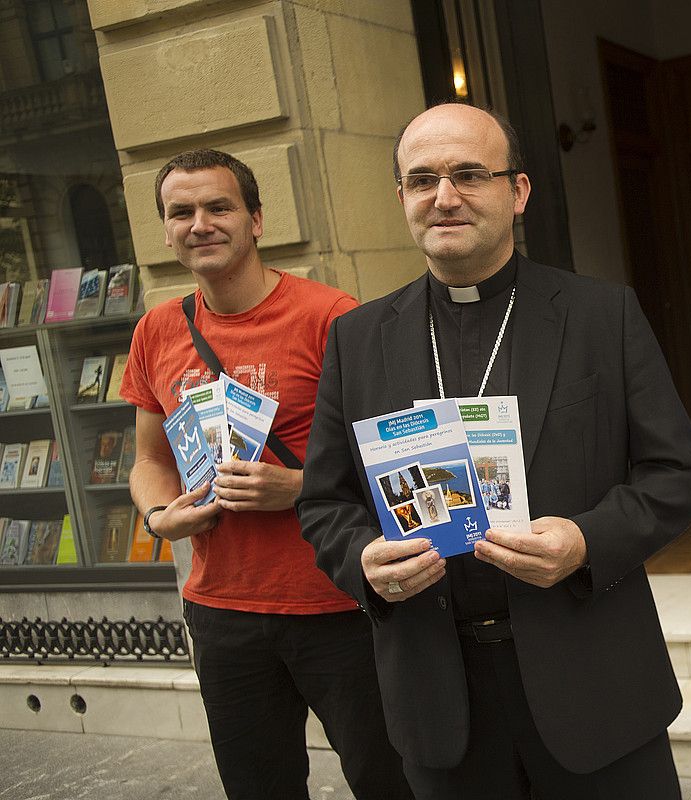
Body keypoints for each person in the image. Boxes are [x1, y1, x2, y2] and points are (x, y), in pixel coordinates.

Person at [297, 102, 691, 800]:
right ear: (401, 197)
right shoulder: (357, 338)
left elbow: (677, 473)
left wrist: (585, 540)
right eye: (422, 179)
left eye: (469, 174)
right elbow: (324, 501)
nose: (445, 197)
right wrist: (363, 562)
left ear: (517, 192)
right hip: (438, 699)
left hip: (594, 686)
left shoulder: (600, 315)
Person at [121, 149, 412, 800]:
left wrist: (302, 486)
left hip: (339, 605)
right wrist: (161, 515)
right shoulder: (155, 331)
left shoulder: (332, 316)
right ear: (166, 232)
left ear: (256, 219)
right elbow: (148, 461)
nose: (201, 223)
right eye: (181, 212)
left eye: (218, 206)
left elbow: (398, 455)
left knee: (390, 782)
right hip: (222, 613)